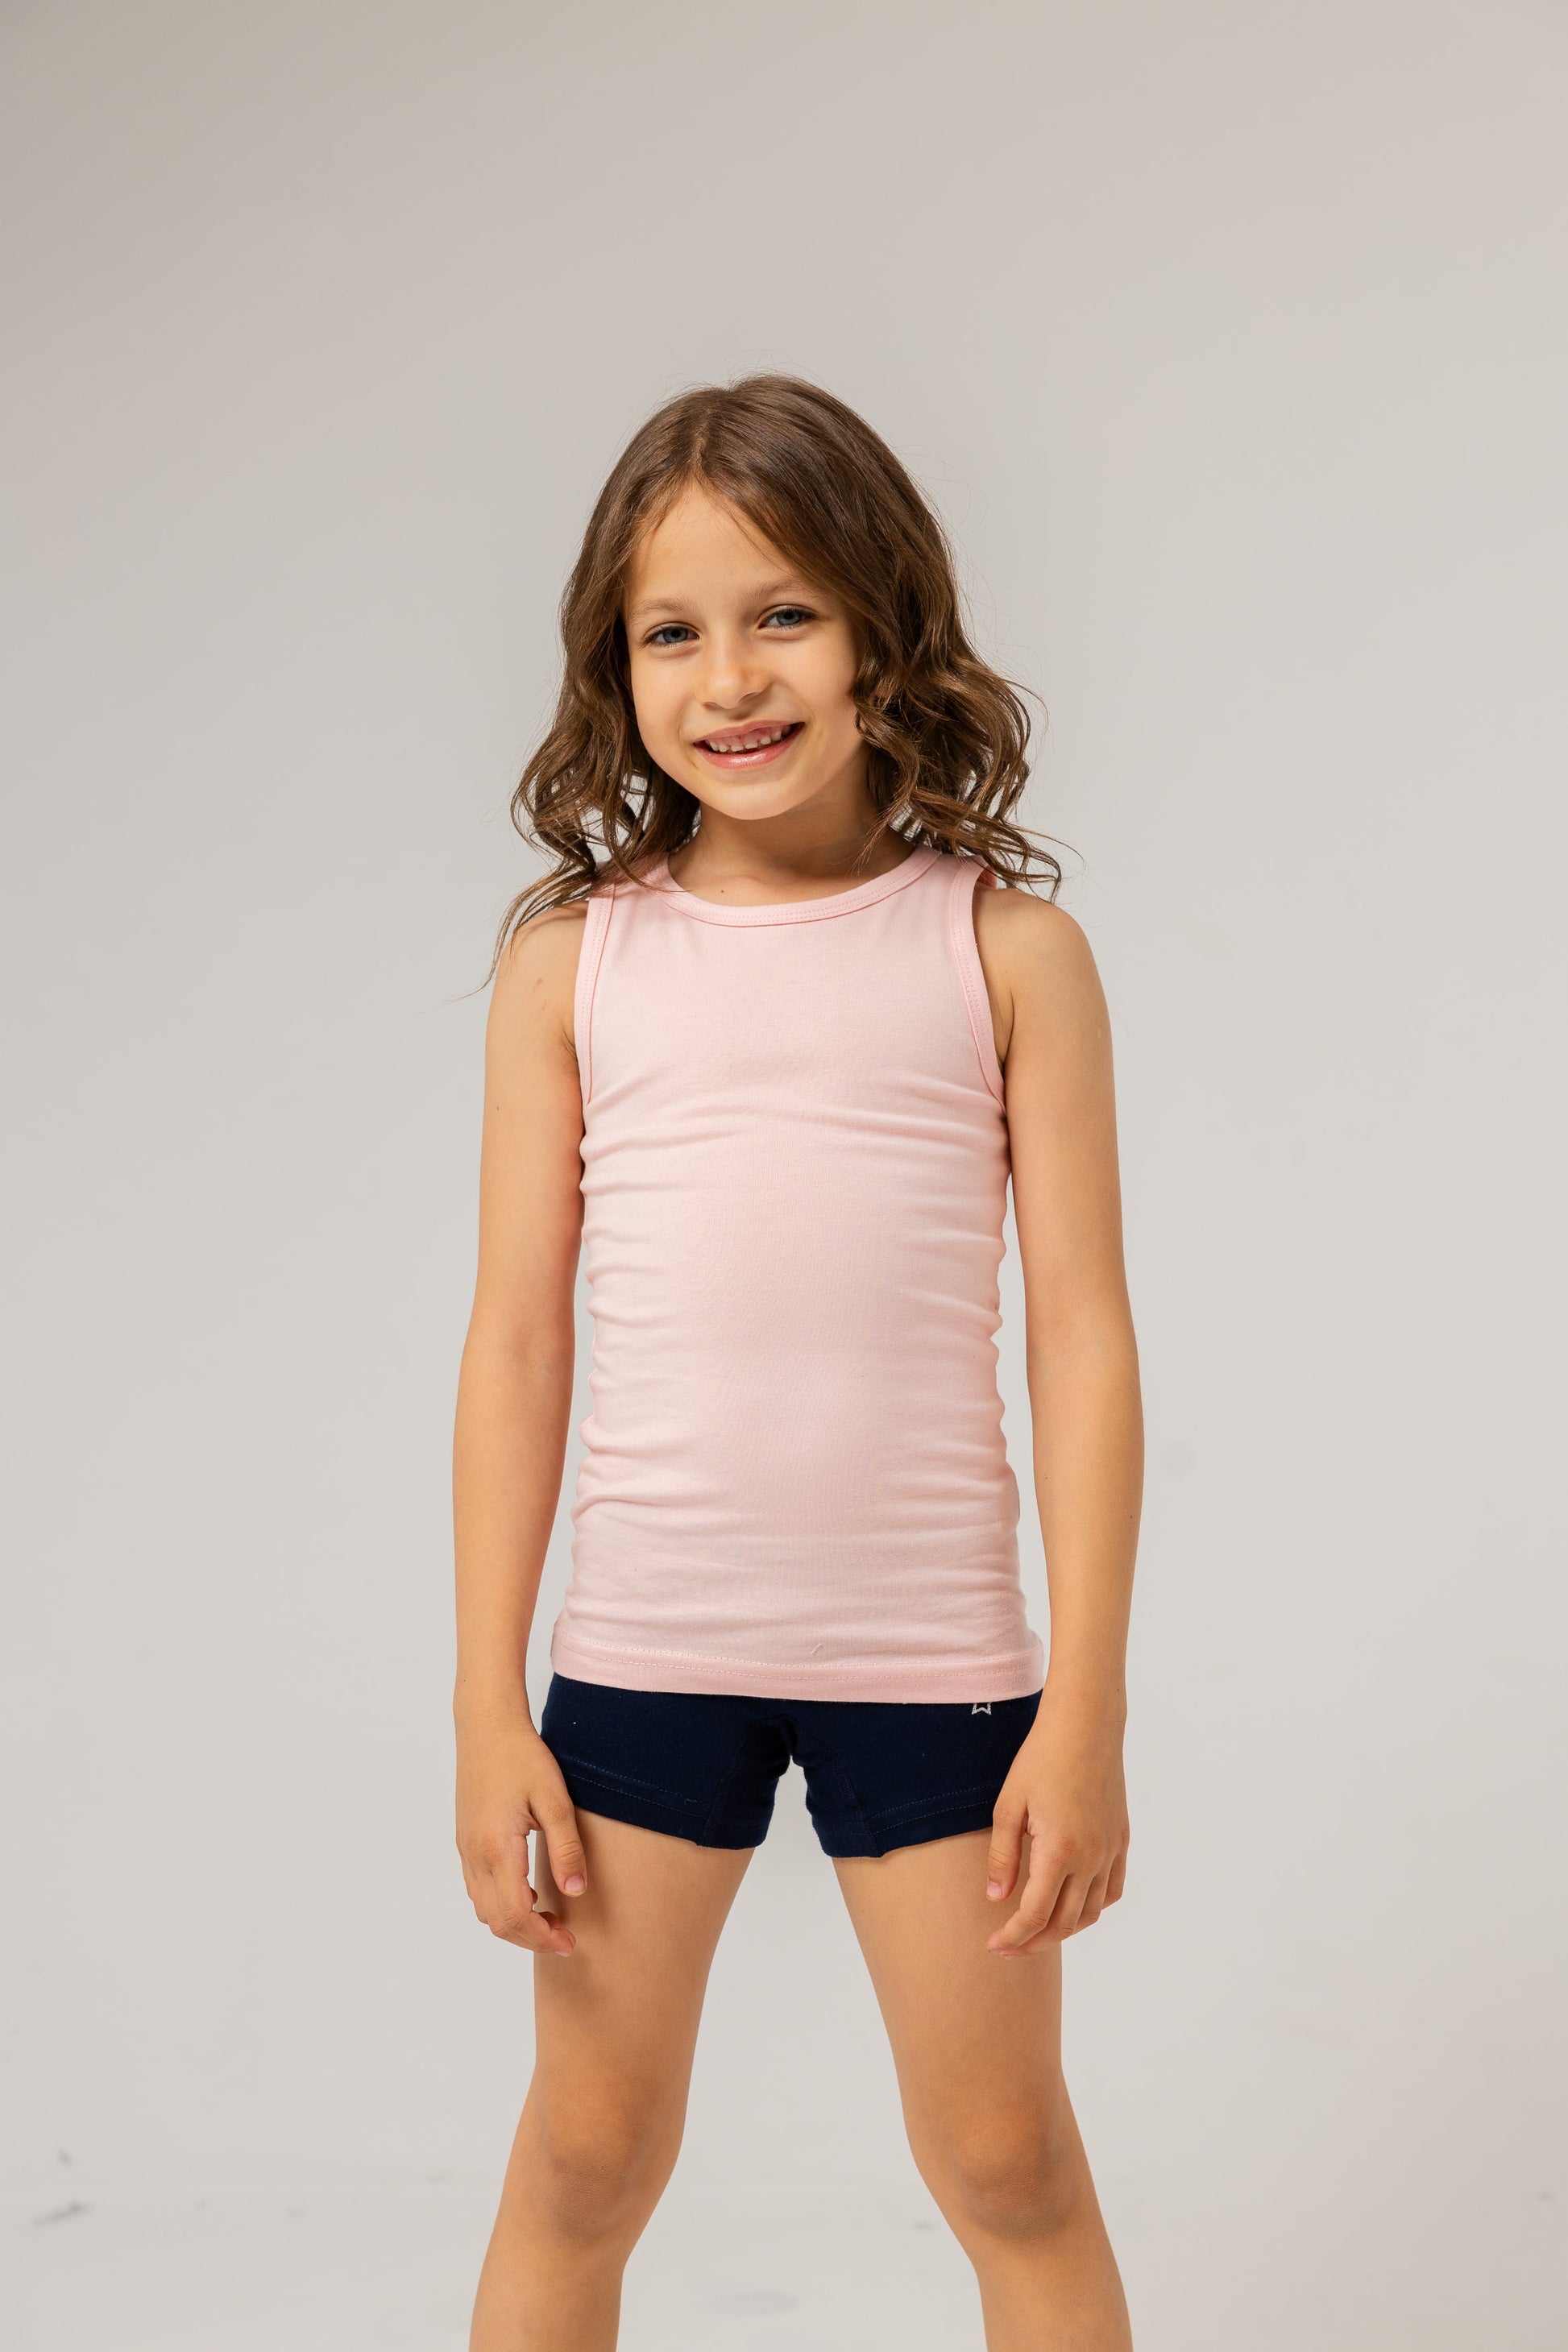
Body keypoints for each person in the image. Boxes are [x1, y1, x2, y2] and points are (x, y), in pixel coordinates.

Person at [452, 375, 1143, 2352]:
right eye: (671, 630)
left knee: (1008, 2157)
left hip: (933, 1657)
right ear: (615, 666)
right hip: (647, 1644)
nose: (731, 677)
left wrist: (1083, 1704)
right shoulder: (573, 962)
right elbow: (516, 1342)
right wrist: (486, 1699)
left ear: (879, 630)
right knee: (585, 2157)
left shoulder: (1005, 952)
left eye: (783, 613)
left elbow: (1082, 1335)